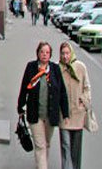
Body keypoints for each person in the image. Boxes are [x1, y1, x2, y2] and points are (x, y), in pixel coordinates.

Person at [17, 41, 69, 169]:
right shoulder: (31, 67)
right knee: (40, 146)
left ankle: (40, 165)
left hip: (50, 115)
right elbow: (24, 88)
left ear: (50, 55)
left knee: (46, 144)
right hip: (35, 115)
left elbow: (62, 92)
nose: (44, 54)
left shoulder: (55, 69)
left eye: (47, 52)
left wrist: (65, 113)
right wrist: (20, 107)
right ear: (38, 53)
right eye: (42, 52)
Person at [58, 41, 91, 169]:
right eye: (63, 53)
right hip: (64, 114)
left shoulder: (80, 67)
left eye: (67, 53)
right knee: (65, 145)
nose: (65, 56)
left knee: (75, 149)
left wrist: (83, 102)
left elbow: (87, 87)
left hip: (77, 114)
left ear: (71, 53)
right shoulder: (57, 68)